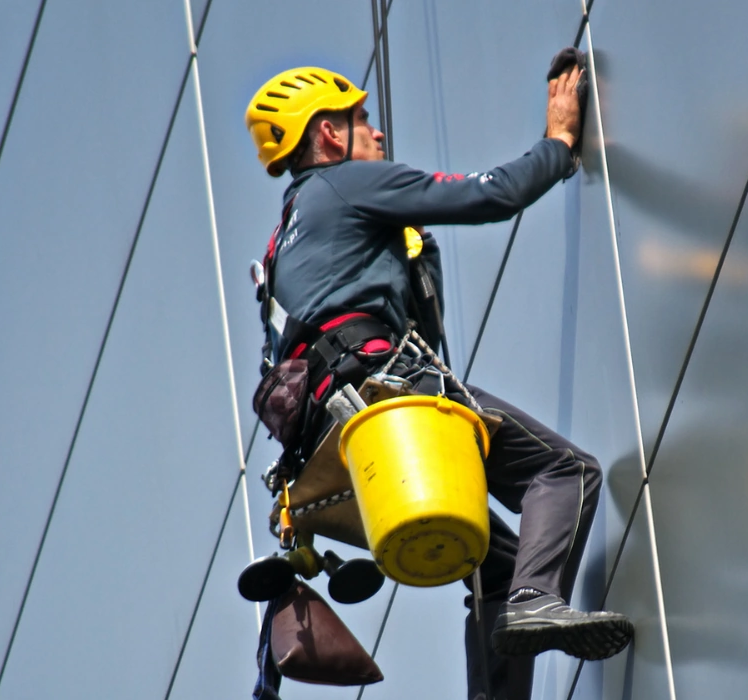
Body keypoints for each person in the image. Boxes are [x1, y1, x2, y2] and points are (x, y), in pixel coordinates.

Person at [242, 60, 632, 699]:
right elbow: (492, 193)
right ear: (331, 137)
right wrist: (560, 143)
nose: (377, 136)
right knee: (565, 472)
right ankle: (538, 598)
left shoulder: (283, 242)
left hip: (330, 447)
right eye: (363, 122)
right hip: (385, 397)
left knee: (497, 564)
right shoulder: (346, 186)